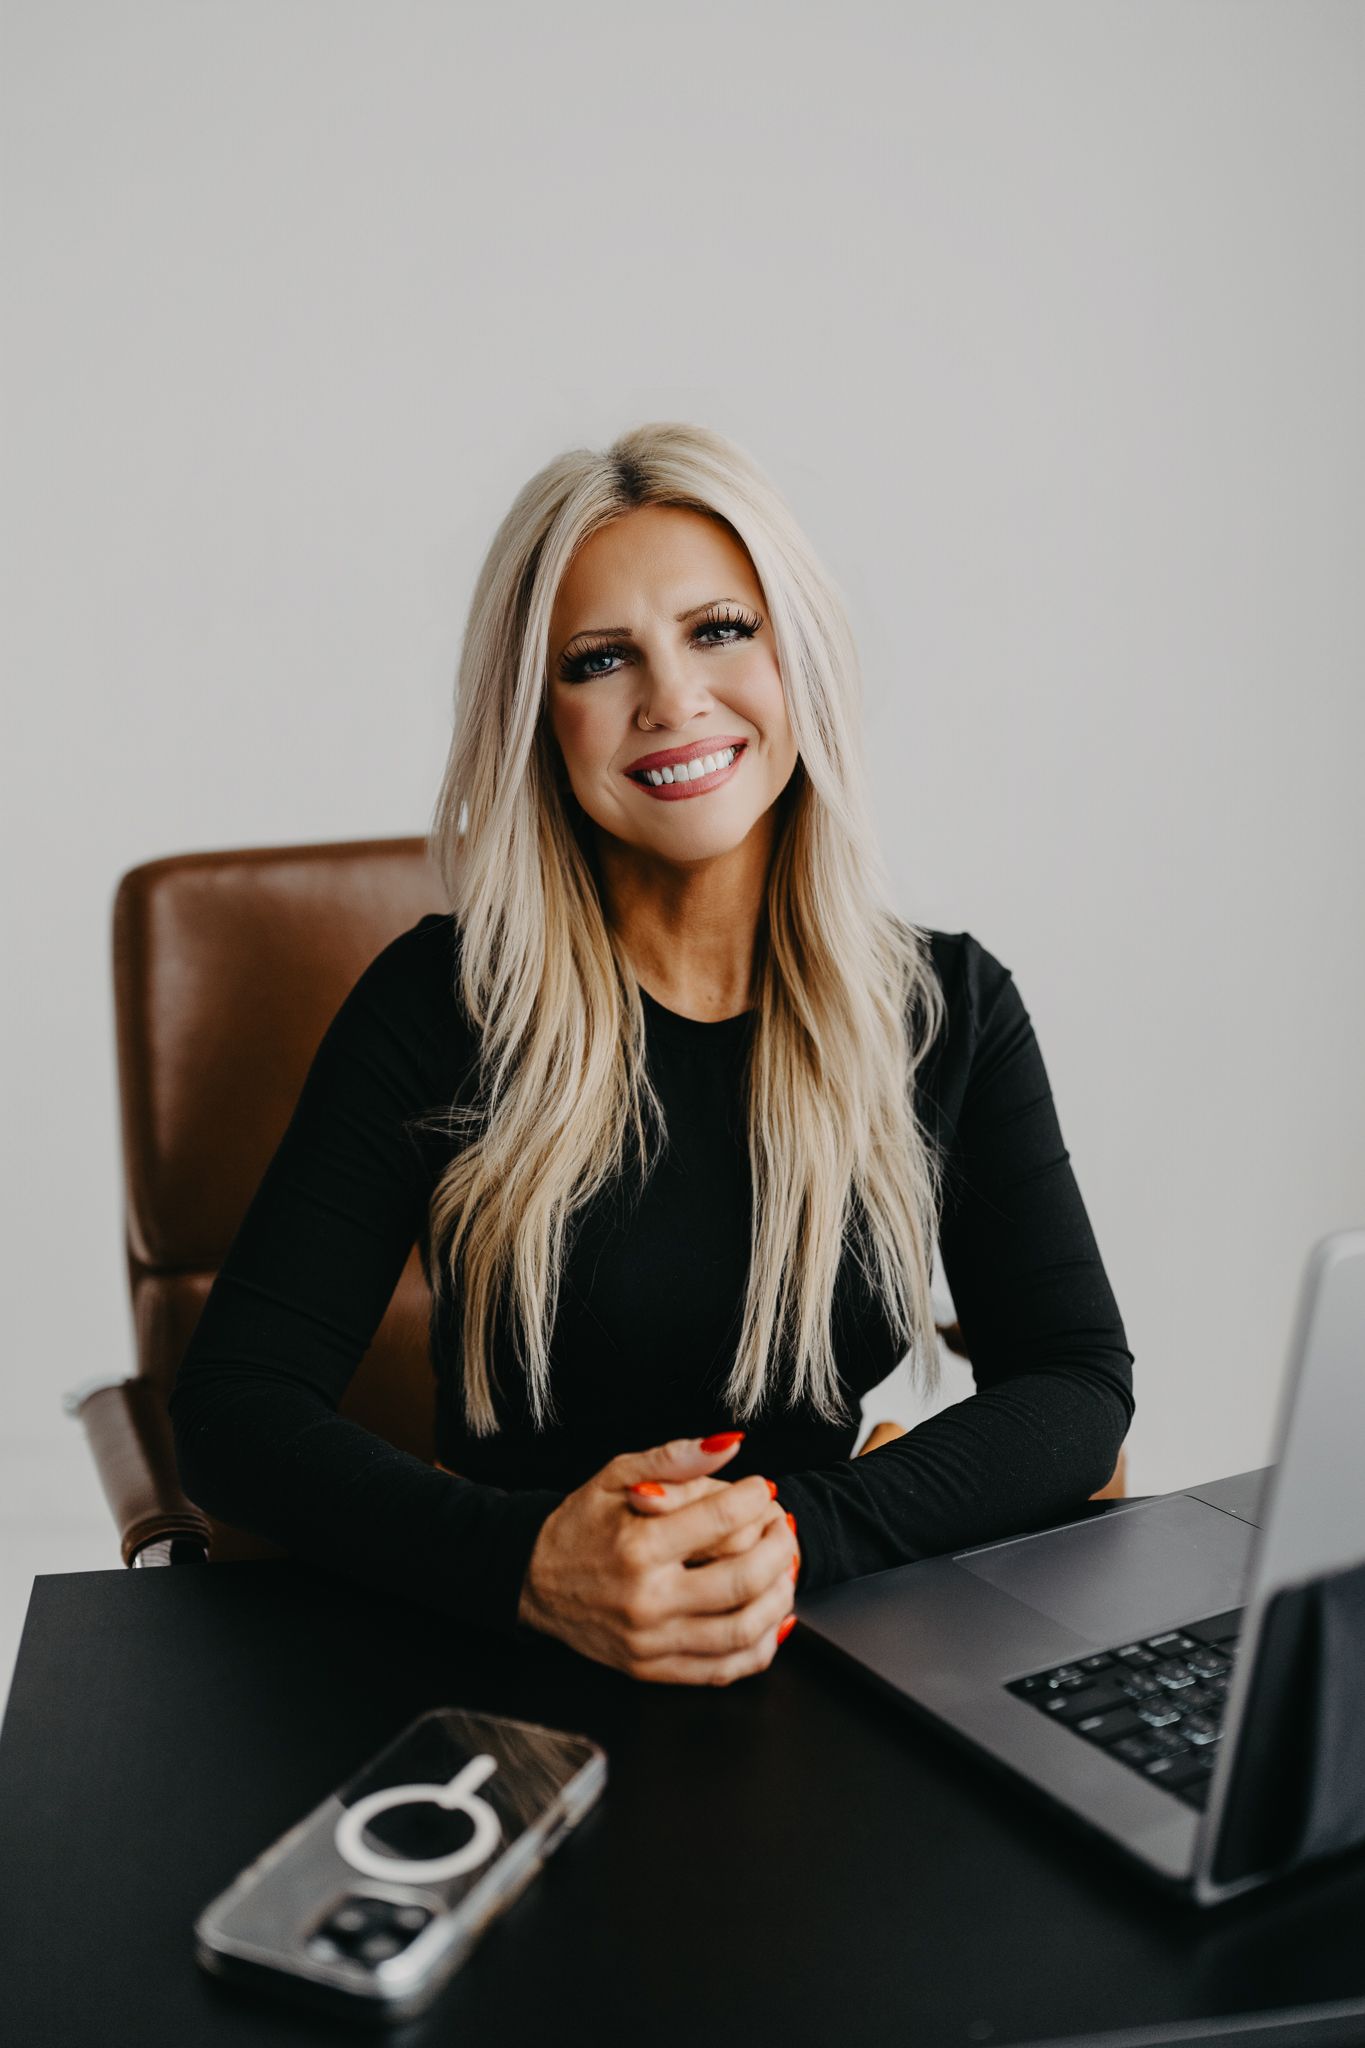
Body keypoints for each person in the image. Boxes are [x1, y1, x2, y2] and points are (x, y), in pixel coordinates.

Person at [169, 422, 1134, 1688]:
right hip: (504, 1664)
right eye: (600, 657)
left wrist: (799, 1532)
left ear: (800, 660)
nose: (672, 696)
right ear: (540, 720)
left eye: (721, 628)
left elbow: (1073, 1378)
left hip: (817, 1641)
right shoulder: (443, 1006)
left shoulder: (944, 1005)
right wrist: (529, 1562)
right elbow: (236, 1409)